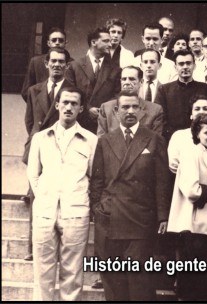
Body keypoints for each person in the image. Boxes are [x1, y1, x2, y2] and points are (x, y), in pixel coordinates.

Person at [90, 90, 171, 301]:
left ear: (142, 110)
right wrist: (98, 209)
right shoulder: (106, 140)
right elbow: (98, 181)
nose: (130, 111)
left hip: (141, 218)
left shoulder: (154, 139)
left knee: (139, 280)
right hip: (110, 217)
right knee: (113, 279)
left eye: (135, 107)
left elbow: (162, 181)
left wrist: (162, 216)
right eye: (125, 107)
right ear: (116, 111)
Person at [27, 87, 97, 301]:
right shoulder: (40, 138)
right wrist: (45, 197)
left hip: (75, 212)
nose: (69, 107)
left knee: (73, 274)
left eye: (74, 103)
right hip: (45, 212)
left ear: (81, 108)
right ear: (57, 105)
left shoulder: (91, 140)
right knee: (42, 274)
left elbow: (94, 177)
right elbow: (33, 174)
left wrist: (80, 199)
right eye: (65, 102)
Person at [166, 114, 207, 301]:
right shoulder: (190, 153)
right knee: (191, 279)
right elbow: (192, 190)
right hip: (194, 224)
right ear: (197, 133)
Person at [22, 48, 74, 261]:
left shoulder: (72, 92)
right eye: (53, 61)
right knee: (38, 197)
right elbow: (30, 120)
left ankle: (61, 248)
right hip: (41, 146)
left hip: (63, 147)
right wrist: (35, 141)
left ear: (67, 66)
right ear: (46, 64)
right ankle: (34, 248)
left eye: (61, 62)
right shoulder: (35, 90)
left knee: (63, 198)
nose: (57, 65)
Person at [65, 27, 121, 133]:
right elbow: (69, 92)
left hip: (104, 123)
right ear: (94, 42)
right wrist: (87, 109)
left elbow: (118, 94)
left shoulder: (115, 69)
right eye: (106, 41)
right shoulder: (74, 66)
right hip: (79, 121)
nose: (110, 45)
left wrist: (103, 109)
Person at [155, 49, 207, 141]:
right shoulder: (164, 90)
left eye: (188, 63)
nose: (185, 67)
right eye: (181, 64)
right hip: (173, 139)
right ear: (175, 67)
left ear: (194, 66)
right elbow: (161, 120)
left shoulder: (205, 89)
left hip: (199, 138)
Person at [168, 95, 207, 174]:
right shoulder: (179, 136)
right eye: (197, 109)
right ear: (191, 114)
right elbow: (173, 165)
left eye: (205, 109)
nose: (201, 111)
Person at [97, 65, 163, 137]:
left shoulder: (155, 110)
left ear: (141, 82)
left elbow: (155, 142)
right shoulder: (106, 108)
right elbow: (101, 141)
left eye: (132, 79)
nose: (127, 82)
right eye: (124, 79)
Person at [21, 27, 71, 103]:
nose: (57, 43)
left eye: (61, 40)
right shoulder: (36, 62)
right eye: (54, 40)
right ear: (48, 43)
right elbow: (26, 91)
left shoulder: (72, 63)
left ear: (65, 43)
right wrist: (38, 105)